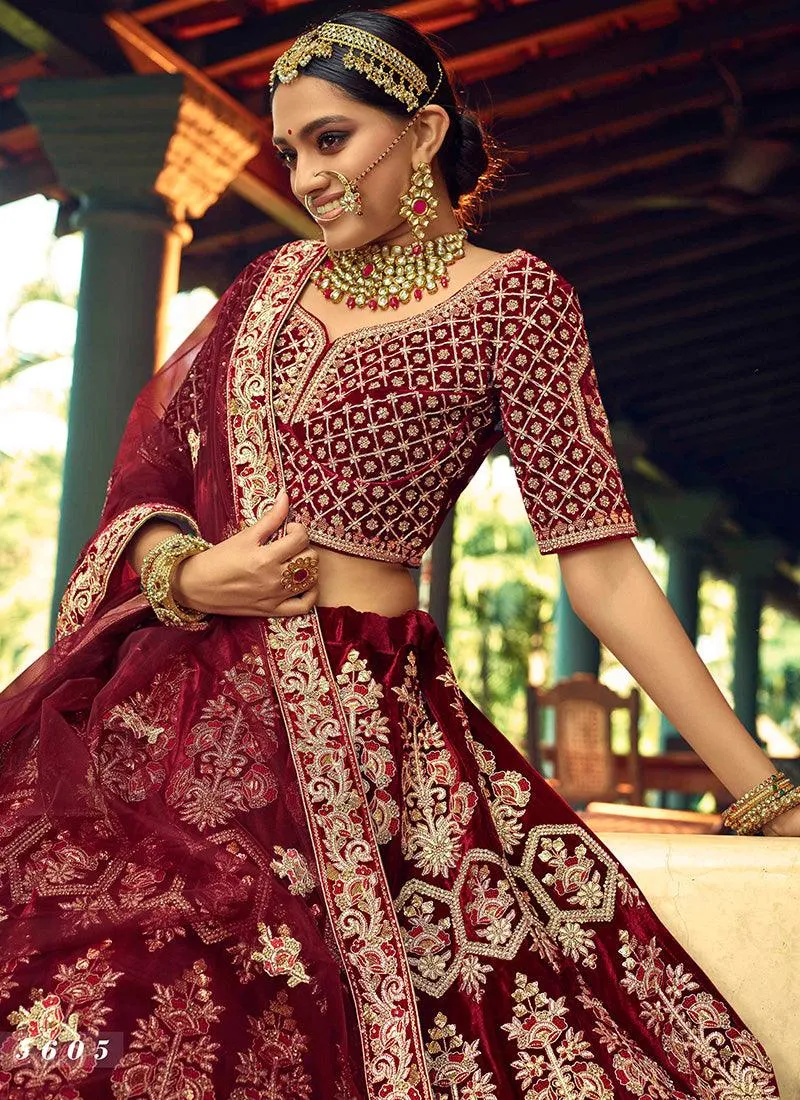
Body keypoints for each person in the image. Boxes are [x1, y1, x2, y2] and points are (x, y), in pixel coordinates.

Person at [0, 9, 795, 1097]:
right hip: (189, 706)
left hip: (376, 718)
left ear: (421, 133)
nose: (309, 175)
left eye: (332, 139)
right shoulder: (264, 291)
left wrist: (760, 790)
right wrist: (190, 575)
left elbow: (599, 565)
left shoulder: (515, 301)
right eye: (290, 151)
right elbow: (145, 484)